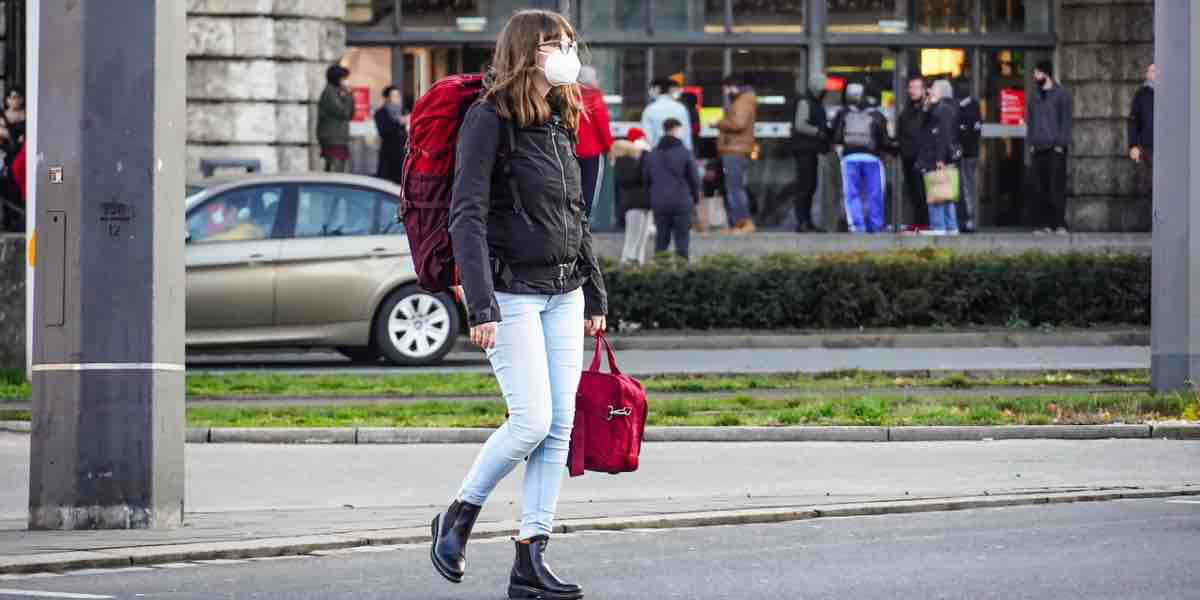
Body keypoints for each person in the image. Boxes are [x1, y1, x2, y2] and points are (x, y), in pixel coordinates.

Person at [437, 10, 607, 600]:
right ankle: (458, 515)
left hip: (565, 291)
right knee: (531, 421)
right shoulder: (489, 119)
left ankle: (530, 559)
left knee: (558, 428)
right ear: (522, 55)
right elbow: (467, 214)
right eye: (552, 45)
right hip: (510, 292)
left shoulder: (562, 116)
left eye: (568, 43)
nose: (566, 53)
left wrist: (595, 290)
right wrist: (479, 303)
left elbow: (574, 214)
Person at [830, 83, 893, 233]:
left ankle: (857, 227)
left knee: (852, 194)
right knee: (874, 193)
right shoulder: (877, 114)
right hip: (872, 158)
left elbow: (836, 136)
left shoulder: (844, 113)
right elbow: (884, 140)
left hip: (850, 157)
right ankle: (876, 226)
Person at [643, 118, 701, 260]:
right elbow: (694, 178)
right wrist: (695, 198)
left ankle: (660, 272)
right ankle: (681, 273)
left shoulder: (653, 154)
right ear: (676, 129)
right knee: (682, 242)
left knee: (661, 242)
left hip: (660, 203)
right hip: (681, 202)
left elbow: (646, 179)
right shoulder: (685, 152)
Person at [1027, 60, 1073, 234]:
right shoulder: (1034, 96)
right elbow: (1030, 121)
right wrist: (1031, 143)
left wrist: (1061, 145)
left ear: (1046, 74)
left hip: (1055, 149)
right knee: (1040, 188)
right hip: (1038, 148)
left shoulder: (1061, 95)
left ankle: (1059, 224)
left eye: (1038, 73)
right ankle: (1043, 224)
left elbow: (1066, 121)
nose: (1035, 77)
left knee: (1056, 187)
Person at [917, 79, 962, 235]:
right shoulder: (944, 107)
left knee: (937, 191)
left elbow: (943, 135)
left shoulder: (943, 109)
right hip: (940, 156)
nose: (930, 90)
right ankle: (950, 226)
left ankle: (939, 226)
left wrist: (940, 158)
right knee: (946, 193)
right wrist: (927, 106)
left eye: (934, 88)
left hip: (936, 157)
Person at [714, 74, 758, 234]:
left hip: (735, 150)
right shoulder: (743, 100)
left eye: (726, 88)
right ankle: (737, 223)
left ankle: (742, 223)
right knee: (734, 188)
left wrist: (719, 123)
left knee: (734, 189)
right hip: (735, 149)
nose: (725, 92)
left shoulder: (743, 101)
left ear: (733, 86)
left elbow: (738, 123)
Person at [791, 72, 831, 233]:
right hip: (805, 150)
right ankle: (802, 222)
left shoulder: (814, 102)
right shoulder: (806, 102)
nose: (824, 90)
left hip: (811, 150)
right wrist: (818, 132)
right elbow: (800, 125)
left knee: (810, 186)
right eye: (822, 87)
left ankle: (807, 221)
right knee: (805, 186)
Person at [576, 66, 614, 218]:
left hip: (571, 149)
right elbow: (602, 125)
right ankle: (584, 222)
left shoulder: (571, 95)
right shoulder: (595, 97)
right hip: (591, 151)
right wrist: (609, 147)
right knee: (589, 189)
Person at [613, 127, 652, 265]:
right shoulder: (628, 159)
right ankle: (628, 263)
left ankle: (635, 264)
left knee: (639, 238)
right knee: (635, 238)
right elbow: (632, 179)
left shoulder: (626, 158)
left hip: (638, 203)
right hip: (636, 203)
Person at [898, 75, 929, 228]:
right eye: (910, 87)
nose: (912, 91)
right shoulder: (907, 109)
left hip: (922, 157)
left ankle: (924, 223)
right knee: (913, 192)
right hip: (908, 157)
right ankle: (918, 223)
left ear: (924, 90)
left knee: (922, 192)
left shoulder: (928, 109)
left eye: (916, 87)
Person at [955, 82, 982, 233]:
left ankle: (968, 219)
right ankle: (968, 219)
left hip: (966, 154)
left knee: (966, 187)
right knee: (968, 187)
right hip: (971, 153)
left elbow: (968, 131)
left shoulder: (962, 107)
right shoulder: (974, 105)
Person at [317, 64, 355, 173]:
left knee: (340, 168)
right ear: (337, 78)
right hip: (333, 138)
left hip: (339, 138)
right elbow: (343, 112)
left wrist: (348, 96)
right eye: (343, 78)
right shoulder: (329, 93)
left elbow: (351, 114)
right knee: (335, 169)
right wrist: (348, 95)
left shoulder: (338, 92)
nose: (346, 81)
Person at [641, 77, 692, 151]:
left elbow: (647, 137)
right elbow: (686, 135)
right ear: (672, 90)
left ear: (656, 89)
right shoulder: (681, 108)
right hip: (678, 153)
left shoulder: (649, 110)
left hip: (657, 153)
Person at [1128, 62, 1155, 208]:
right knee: (1150, 184)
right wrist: (1133, 145)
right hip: (1148, 145)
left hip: (1168, 146)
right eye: (1151, 70)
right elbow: (1133, 121)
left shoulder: (1171, 92)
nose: (1153, 74)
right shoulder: (1141, 94)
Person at [373, 85, 408, 184]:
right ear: (387, 98)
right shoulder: (380, 113)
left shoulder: (402, 111)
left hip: (401, 153)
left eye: (398, 96)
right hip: (388, 153)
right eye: (394, 96)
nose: (397, 98)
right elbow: (383, 130)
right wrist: (399, 122)